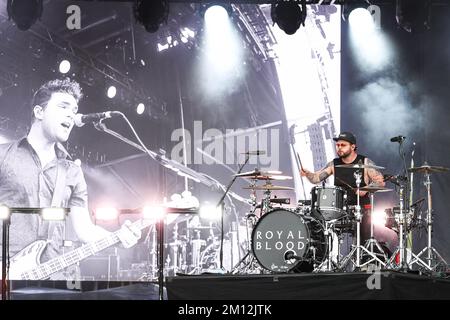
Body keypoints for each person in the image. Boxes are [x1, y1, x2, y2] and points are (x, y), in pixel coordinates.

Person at [0, 78, 141, 279]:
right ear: (39, 112)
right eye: (63, 106)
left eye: (74, 110)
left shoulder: (71, 172)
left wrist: (118, 236)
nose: (71, 114)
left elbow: (84, 229)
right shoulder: (3, 156)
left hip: (50, 278)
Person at [300, 131, 385, 244]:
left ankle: (365, 256)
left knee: (364, 241)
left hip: (362, 209)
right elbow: (316, 178)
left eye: (343, 145)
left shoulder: (364, 162)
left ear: (353, 146)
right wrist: (308, 174)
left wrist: (365, 189)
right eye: (338, 145)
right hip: (340, 210)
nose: (339, 148)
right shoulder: (334, 164)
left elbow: (381, 182)